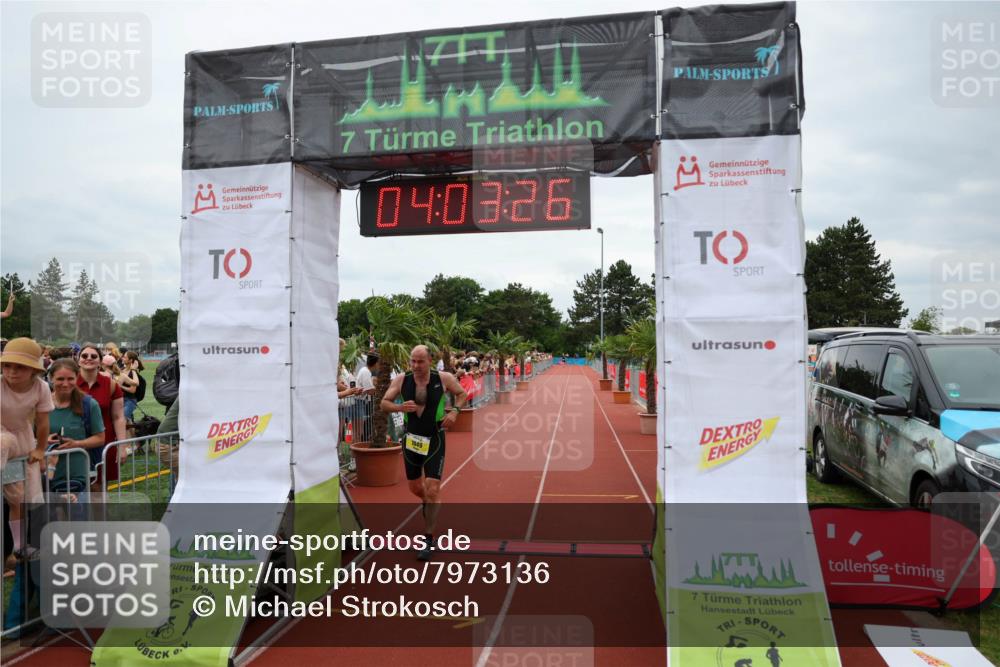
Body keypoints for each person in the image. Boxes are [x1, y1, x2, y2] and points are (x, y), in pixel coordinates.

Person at [380, 345, 466, 561]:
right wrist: (400, 408)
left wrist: (455, 411)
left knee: (433, 487)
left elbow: (462, 394)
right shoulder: (402, 379)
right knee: (416, 488)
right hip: (411, 439)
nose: (416, 366)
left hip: (435, 437)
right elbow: (384, 403)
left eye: (420, 361)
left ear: (430, 361)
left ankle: (428, 538)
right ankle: (427, 501)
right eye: (413, 361)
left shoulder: (443, 378)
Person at [2, 338, 53, 561]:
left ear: (33, 370)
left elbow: (42, 422)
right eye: (7, 365)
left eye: (19, 366)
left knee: (21, 499)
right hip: (1, 437)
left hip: (23, 439)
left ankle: (20, 546)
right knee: (3, 441)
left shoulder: (41, 387)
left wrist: (41, 449)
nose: (11, 371)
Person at [46, 359, 105, 497]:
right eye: (60, 379)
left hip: (77, 479)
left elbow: (100, 438)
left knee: (77, 517)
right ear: (51, 378)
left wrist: (76, 443)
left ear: (77, 377)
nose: (65, 384)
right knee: (48, 517)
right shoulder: (41, 404)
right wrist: (43, 441)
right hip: (46, 477)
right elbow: (29, 437)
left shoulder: (89, 404)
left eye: (70, 379)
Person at [76, 343, 127, 484]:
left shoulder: (110, 384)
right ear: (78, 360)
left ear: (100, 361)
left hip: (104, 443)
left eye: (94, 356)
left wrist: (122, 446)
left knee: (99, 487)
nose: (89, 358)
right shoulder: (70, 382)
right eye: (84, 356)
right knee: (75, 487)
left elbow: (118, 417)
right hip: (75, 443)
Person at [118, 351, 144, 422]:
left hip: (129, 401)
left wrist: (120, 386)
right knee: (128, 421)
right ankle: (132, 432)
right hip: (120, 400)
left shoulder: (133, 373)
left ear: (130, 360)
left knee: (123, 419)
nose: (122, 358)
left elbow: (132, 390)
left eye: (125, 357)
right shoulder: (122, 370)